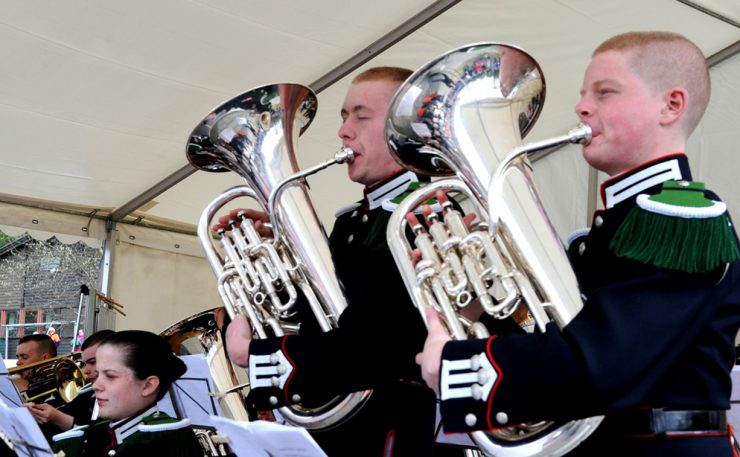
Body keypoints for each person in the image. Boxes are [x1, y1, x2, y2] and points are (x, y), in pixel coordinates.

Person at [416, 31, 740, 456]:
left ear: (671, 105)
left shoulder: (683, 220)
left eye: (605, 93)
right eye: (584, 93)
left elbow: (599, 364)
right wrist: (478, 305)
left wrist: (459, 367)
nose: (582, 106)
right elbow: (565, 339)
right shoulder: (615, 227)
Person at [224, 67, 440, 456]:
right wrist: (285, 252)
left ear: (404, 126)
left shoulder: (427, 213)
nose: (343, 131)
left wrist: (256, 357)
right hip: (342, 426)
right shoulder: (351, 222)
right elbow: (326, 316)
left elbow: (378, 342)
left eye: (361, 116)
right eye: (343, 117)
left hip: (393, 428)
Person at [51, 330, 202, 457]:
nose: (96, 386)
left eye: (110, 376)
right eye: (99, 375)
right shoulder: (93, 434)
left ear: (148, 385)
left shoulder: (163, 439)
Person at [26, 329, 116, 436]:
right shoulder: (87, 393)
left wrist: (57, 417)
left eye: (92, 362)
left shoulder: (115, 398)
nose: (86, 371)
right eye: (85, 363)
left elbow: (98, 437)